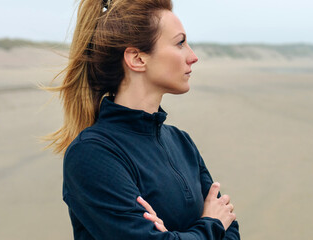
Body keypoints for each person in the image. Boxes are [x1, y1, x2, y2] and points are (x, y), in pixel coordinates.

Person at [43, 0, 239, 239]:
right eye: (180, 43)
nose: (193, 56)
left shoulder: (181, 141)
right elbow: (219, 225)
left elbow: (230, 227)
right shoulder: (93, 153)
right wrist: (211, 225)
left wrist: (177, 235)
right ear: (137, 59)